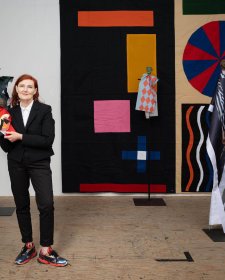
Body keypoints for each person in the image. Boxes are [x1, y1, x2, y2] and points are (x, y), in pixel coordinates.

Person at [0, 74, 68, 267]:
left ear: (35, 91)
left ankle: (45, 250)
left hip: (39, 163)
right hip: (16, 163)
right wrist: (0, 132)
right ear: (17, 90)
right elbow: (6, 146)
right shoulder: (8, 112)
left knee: (46, 204)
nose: (26, 89)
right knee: (21, 205)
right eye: (22, 86)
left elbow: (47, 140)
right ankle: (28, 245)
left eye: (30, 87)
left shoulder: (45, 110)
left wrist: (21, 136)